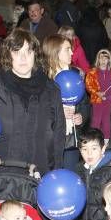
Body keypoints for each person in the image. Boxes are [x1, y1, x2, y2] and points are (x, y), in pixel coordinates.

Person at [0, 28, 65, 176]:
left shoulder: (51, 91)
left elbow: (58, 138)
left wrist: (56, 174)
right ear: (8, 55)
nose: (23, 58)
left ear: (35, 55)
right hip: (1, 179)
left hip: (40, 180)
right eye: (17, 52)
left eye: (28, 52)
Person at [42, 34, 90, 172]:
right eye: (67, 49)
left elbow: (85, 103)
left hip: (72, 138)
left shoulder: (76, 74)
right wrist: (58, 111)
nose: (72, 52)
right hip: (50, 139)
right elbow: (37, 109)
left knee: (70, 173)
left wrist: (81, 116)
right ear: (55, 52)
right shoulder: (43, 78)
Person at [85, 49, 111, 143]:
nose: (103, 61)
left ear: (109, 60)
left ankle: (105, 141)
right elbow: (88, 86)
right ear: (97, 60)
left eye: (105, 59)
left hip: (109, 100)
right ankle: (94, 139)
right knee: (96, 120)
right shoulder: (92, 72)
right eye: (101, 58)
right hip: (97, 100)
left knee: (106, 120)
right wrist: (96, 92)